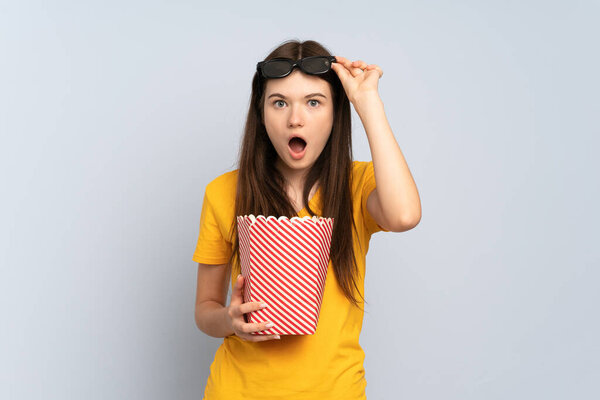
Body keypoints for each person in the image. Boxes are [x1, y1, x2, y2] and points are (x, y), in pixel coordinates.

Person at [192, 39, 421, 400]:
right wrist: (231, 321)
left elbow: (405, 216)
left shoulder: (356, 186)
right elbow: (205, 310)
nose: (295, 118)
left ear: (335, 113)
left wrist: (368, 103)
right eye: (279, 102)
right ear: (261, 111)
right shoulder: (223, 192)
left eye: (314, 102)